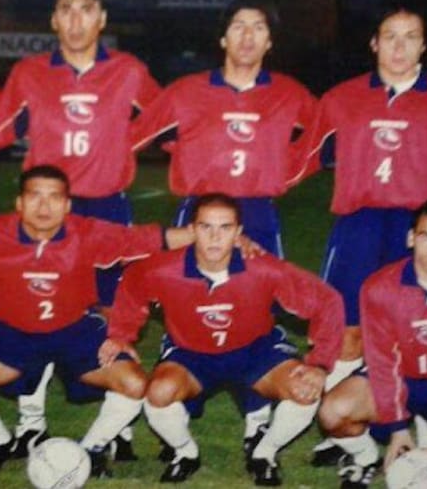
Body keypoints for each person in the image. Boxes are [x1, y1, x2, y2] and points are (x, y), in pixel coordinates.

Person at [0, 0, 161, 458]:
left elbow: (165, 123)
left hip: (106, 207)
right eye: (66, 10)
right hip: (45, 214)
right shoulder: (30, 72)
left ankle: (119, 431)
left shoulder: (128, 71)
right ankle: (31, 422)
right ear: (53, 20)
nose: (76, 20)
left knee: (113, 311)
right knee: (33, 308)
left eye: (86, 10)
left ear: (102, 19)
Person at [129, 0, 321, 457]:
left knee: (258, 307)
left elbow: (320, 143)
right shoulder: (186, 90)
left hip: (258, 210)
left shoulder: (290, 93)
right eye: (238, 26)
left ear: (270, 41)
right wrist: (183, 157)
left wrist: (281, 176)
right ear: (223, 37)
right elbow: (136, 135)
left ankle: (256, 419)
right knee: (184, 299)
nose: (247, 36)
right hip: (201, 211)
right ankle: (180, 403)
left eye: (258, 27)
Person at [0, 165, 179, 477]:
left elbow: (147, 238)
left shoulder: (85, 233)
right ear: (19, 203)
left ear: (67, 205)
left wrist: (206, 235)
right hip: (12, 332)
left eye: (54, 197)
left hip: (76, 330)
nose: (44, 206)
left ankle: (93, 449)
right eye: (35, 196)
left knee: (134, 383)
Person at [106, 193, 344, 485]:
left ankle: (265, 453)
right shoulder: (163, 269)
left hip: (255, 349)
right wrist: (121, 334)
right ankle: (186, 453)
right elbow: (132, 284)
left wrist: (319, 364)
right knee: (159, 393)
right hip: (190, 353)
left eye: (225, 228)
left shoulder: (263, 268)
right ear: (192, 230)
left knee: (305, 390)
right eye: (206, 227)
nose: (215, 237)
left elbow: (327, 301)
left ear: (238, 232)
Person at [290, 5, 427, 465]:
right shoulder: (341, 98)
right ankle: (344, 433)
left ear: (423, 46)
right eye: (390, 36)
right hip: (358, 226)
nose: (399, 46)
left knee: (420, 328)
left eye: (410, 36)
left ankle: (419, 426)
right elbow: (302, 157)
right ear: (374, 43)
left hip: (420, 230)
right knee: (346, 330)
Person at [317, 199, 427, 488]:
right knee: (334, 411)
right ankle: (366, 457)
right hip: (401, 376)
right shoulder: (381, 287)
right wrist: (398, 427)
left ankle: (422, 459)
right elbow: (382, 360)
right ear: (411, 238)